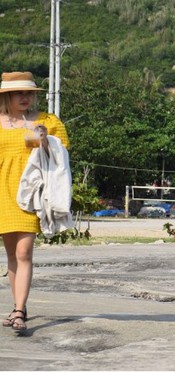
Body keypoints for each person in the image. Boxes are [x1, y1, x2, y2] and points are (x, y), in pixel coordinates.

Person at [0, 72, 69, 331]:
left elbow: (62, 157)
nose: (26, 97)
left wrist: (45, 140)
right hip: (2, 192)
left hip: (31, 193)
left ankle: (18, 312)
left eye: (29, 93)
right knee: (11, 255)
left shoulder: (47, 121)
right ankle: (20, 303)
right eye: (19, 93)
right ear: (7, 96)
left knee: (23, 251)